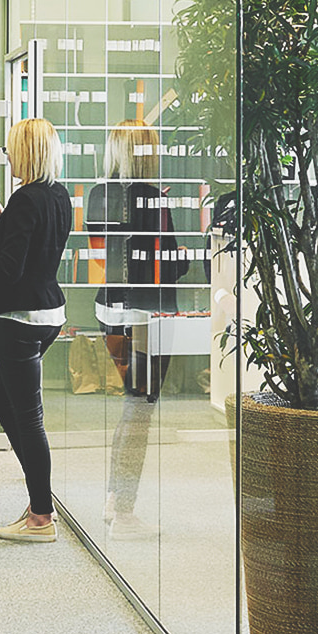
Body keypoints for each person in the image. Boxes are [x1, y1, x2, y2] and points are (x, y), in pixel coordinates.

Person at [86, 120, 189, 539]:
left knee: (132, 405)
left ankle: (115, 498)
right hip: (147, 317)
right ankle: (124, 511)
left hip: (110, 312)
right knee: (139, 410)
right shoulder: (149, 198)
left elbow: (104, 255)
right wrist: (181, 251)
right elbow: (170, 266)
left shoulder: (97, 193)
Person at [0, 118, 73, 543]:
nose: (8, 155)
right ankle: (38, 500)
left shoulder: (24, 199)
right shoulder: (57, 195)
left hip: (20, 321)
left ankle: (41, 516)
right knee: (2, 400)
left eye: (12, 148)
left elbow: (9, 268)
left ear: (27, 152)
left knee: (28, 419)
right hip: (49, 313)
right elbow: (35, 245)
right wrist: (2, 217)